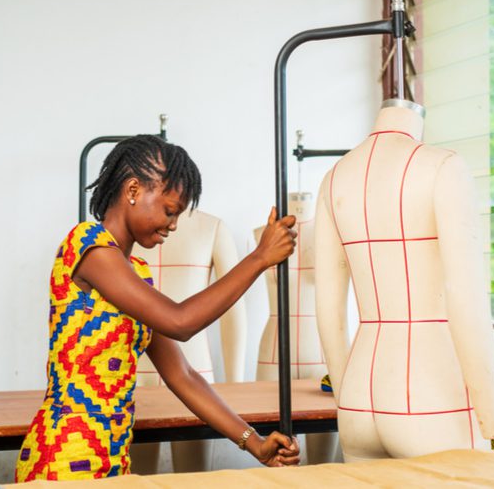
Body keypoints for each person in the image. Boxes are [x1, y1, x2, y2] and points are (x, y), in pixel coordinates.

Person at [16, 135, 300, 481]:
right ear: (133, 190)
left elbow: (183, 375)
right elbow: (179, 321)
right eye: (169, 210)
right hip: (64, 459)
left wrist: (254, 443)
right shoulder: (87, 246)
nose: (174, 224)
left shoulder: (135, 274)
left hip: (113, 459)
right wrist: (258, 258)